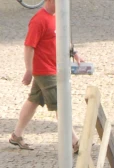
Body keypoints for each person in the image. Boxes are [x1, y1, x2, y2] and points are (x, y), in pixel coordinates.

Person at [9, 0, 82, 152]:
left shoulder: (57, 16)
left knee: (33, 100)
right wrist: (29, 70)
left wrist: (74, 54)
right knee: (61, 105)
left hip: (54, 68)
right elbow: (29, 46)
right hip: (44, 71)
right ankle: (74, 142)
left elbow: (62, 37)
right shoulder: (38, 20)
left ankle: (16, 135)